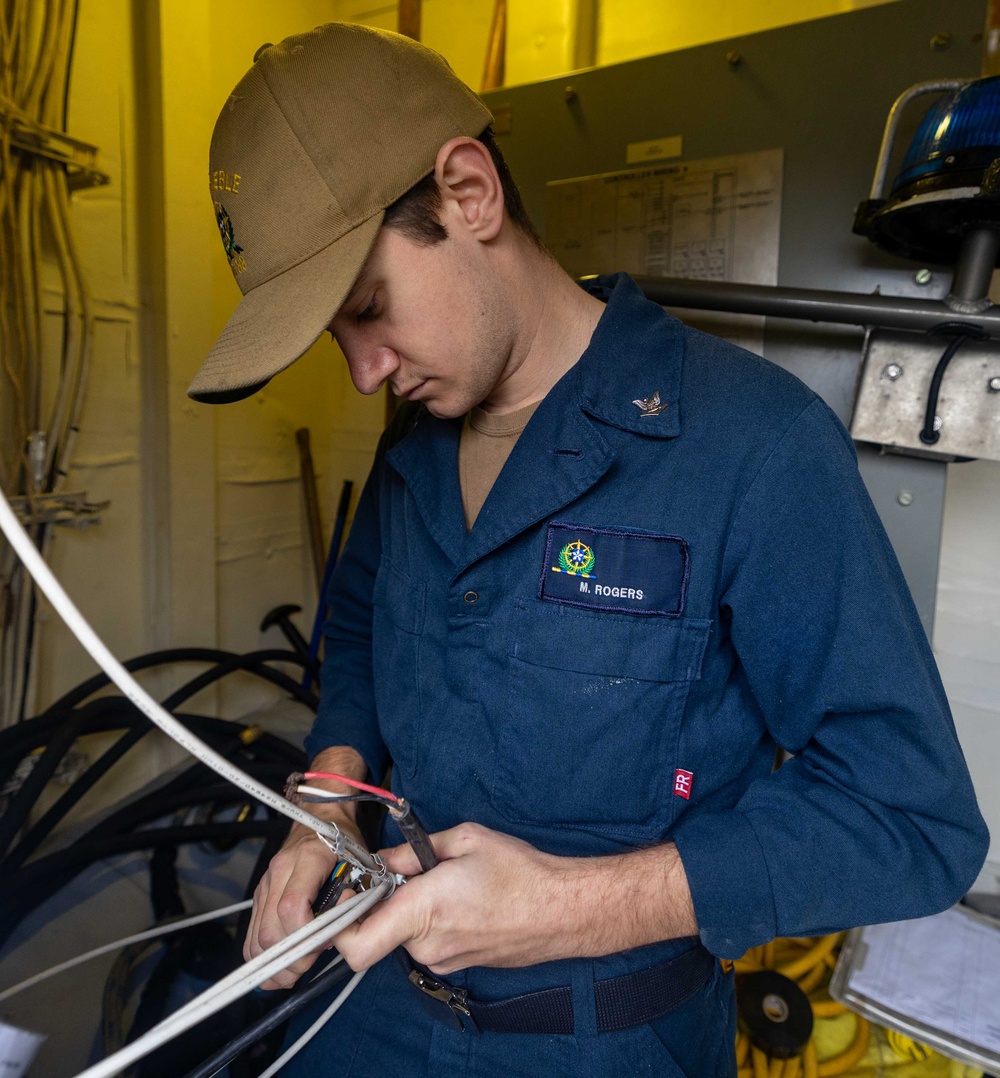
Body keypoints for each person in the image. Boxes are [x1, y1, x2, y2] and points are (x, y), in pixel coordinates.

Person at [188, 22, 989, 1077]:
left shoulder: (755, 446)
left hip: (607, 1044)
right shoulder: (413, 447)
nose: (365, 373)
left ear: (469, 192)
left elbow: (907, 818)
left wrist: (570, 907)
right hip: (366, 1009)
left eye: (368, 311)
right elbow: (358, 626)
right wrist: (330, 790)